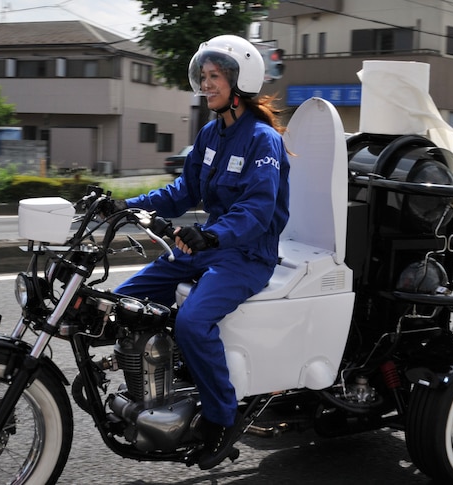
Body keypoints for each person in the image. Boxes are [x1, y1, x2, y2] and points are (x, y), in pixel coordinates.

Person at [104, 35, 290, 470]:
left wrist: (214, 235)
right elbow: (183, 190)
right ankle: (155, 382)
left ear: (239, 81)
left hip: (247, 255)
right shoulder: (210, 134)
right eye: (203, 76)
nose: (206, 85)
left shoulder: (263, 140)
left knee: (193, 320)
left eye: (215, 77)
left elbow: (258, 210)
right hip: (207, 247)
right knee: (127, 300)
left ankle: (222, 420)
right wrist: (126, 205)